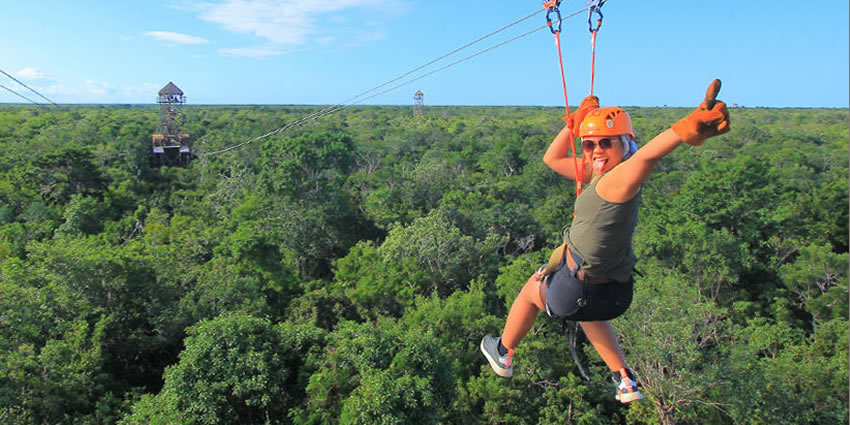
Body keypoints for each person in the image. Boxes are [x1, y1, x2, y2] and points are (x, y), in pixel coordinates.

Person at [481, 80, 730, 403]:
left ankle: (503, 352)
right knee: (590, 314)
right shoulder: (600, 174)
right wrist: (576, 122)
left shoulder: (621, 179)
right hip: (613, 294)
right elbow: (552, 159)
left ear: (626, 143)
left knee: (531, 290)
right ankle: (624, 379)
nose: (596, 151)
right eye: (589, 144)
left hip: (575, 290)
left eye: (606, 143)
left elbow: (648, 157)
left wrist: (684, 129)